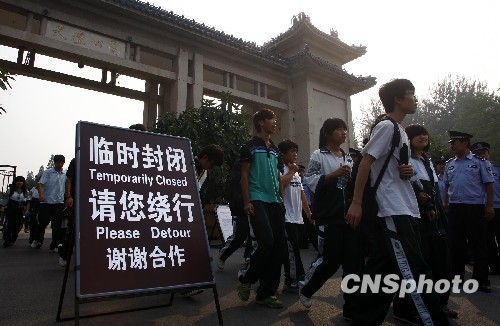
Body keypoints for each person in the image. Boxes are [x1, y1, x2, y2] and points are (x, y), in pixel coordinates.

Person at [346, 79, 449, 325]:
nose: (415, 99)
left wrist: (405, 171)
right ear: (398, 99)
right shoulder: (387, 127)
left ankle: (360, 317)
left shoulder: (400, 131)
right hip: (394, 210)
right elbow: (365, 162)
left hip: (404, 208)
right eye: (411, 94)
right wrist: (357, 202)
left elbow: (387, 167)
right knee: (416, 272)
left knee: (382, 273)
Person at [299, 118, 362, 321]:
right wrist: (334, 174)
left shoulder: (348, 157)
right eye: (338, 129)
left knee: (354, 263)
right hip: (329, 215)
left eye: (345, 129)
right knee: (330, 260)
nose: (343, 132)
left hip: (348, 216)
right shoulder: (319, 155)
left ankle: (352, 309)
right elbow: (310, 181)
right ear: (327, 133)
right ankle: (307, 288)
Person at [404, 124, 457, 319]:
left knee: (442, 264)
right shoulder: (406, 161)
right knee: (421, 266)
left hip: (437, 220)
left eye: (424, 134)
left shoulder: (426, 160)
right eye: (417, 135)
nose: (423, 137)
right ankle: (414, 308)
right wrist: (421, 199)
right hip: (420, 220)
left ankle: (440, 304)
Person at [237, 108, 286, 308]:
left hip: (275, 201)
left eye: (275, 118)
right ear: (260, 123)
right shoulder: (249, 146)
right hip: (257, 198)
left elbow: (278, 177)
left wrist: (281, 200)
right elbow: (244, 175)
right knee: (266, 241)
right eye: (271, 119)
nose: (274, 122)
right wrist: (247, 201)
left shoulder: (275, 149)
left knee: (279, 247)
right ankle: (246, 278)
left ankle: (266, 293)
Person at [444, 132, 494, 293]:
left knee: (478, 244)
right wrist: (445, 203)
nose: (452, 145)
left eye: (455, 142)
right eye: (451, 142)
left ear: (465, 143)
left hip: (474, 207)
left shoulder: (480, 163)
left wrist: (489, 206)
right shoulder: (450, 163)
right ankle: (456, 277)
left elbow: (489, 185)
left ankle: (481, 279)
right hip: (455, 207)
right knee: (455, 244)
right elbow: (446, 185)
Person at [278, 140, 312, 293]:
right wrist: (291, 172)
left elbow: (301, 193)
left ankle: (295, 277)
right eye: (292, 151)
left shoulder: (296, 172)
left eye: (296, 151)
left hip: (297, 218)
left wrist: (308, 212)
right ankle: (293, 279)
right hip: (286, 217)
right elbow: (279, 185)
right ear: (283, 154)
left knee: (294, 249)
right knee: (292, 251)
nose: (295, 154)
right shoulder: (280, 168)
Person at [470, 142, 500, 275]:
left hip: (498, 207)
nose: (481, 155)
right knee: (486, 239)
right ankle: (493, 265)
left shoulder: (498, 169)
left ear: (488, 154)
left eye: (484, 152)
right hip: (481, 208)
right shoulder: (471, 169)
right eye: (478, 153)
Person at [217, 159, 253, 271]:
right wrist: (240, 203)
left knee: (253, 233)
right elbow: (234, 191)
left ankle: (249, 255)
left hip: (253, 205)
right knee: (240, 235)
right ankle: (223, 255)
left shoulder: (255, 167)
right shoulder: (238, 169)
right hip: (238, 207)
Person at [31, 155, 66, 251]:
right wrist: (41, 194)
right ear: (54, 162)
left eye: (61, 162)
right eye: (58, 162)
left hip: (59, 202)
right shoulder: (48, 172)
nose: (60, 163)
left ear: (64, 163)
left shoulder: (65, 173)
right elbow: (40, 184)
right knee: (43, 223)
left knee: (56, 225)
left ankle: (54, 245)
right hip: (46, 202)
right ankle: (38, 240)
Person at [3, 176, 29, 247]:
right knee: (9, 225)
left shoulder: (26, 192)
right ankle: (6, 240)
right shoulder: (10, 191)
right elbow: (5, 201)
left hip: (20, 211)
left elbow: (28, 202)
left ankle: (13, 239)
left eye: (21, 181)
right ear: (15, 182)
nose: (19, 182)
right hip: (11, 210)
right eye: (18, 181)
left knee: (17, 226)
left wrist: (26, 210)